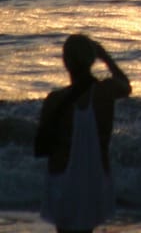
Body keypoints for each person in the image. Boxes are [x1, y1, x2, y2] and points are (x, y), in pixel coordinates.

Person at [35, 34, 132, 233]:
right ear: (92, 60)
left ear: (66, 62)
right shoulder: (105, 93)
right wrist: (105, 56)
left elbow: (44, 140)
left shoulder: (54, 99)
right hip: (94, 176)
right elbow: (125, 84)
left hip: (63, 176)